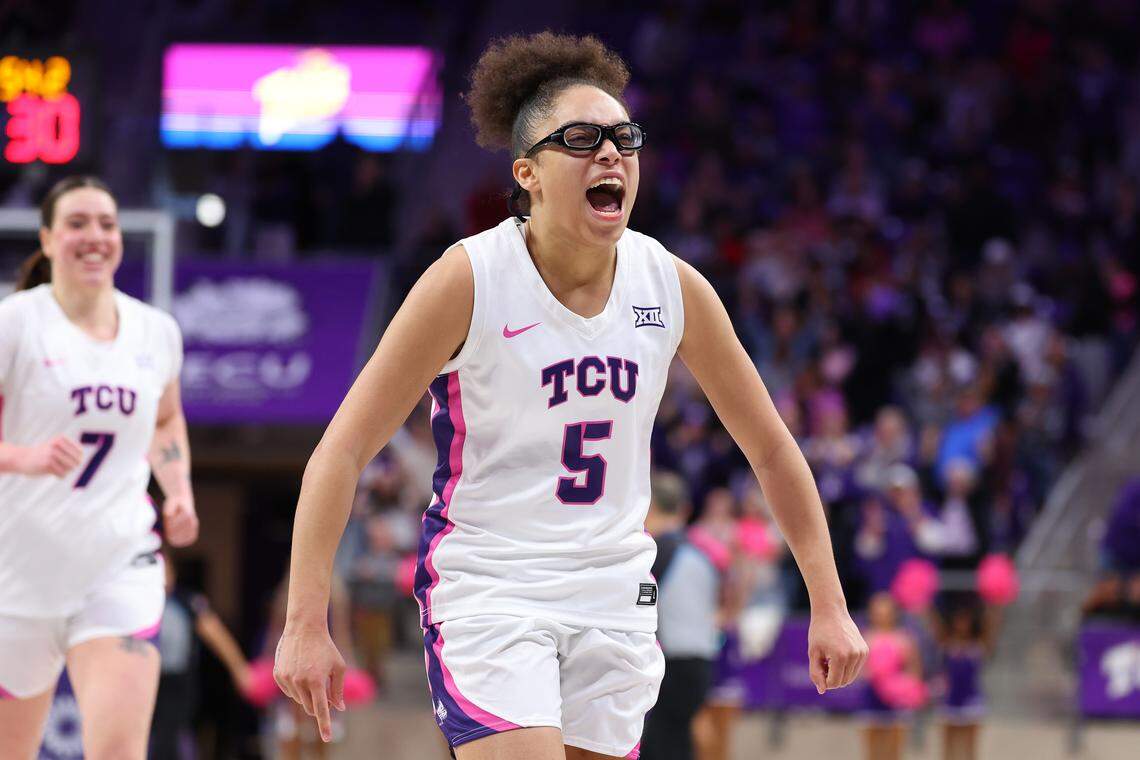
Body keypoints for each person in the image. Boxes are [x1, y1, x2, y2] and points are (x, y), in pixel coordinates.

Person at [273, 31, 866, 760]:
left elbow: (772, 448)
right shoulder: (469, 279)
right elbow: (343, 448)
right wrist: (305, 620)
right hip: (492, 588)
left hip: (614, 594)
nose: (611, 152)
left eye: (624, 136)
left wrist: (830, 603)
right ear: (529, 173)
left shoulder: (671, 286)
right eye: (582, 139)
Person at [0, 175, 198, 758]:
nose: (95, 236)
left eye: (107, 224)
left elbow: (165, 420)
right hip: (20, 571)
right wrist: (23, 457)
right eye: (78, 223)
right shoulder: (16, 323)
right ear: (47, 237)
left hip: (117, 563)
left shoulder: (155, 331)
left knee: (118, 751)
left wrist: (179, 491)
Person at [640, 471, 719, 760]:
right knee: (676, 741)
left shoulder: (656, 550)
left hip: (672, 663)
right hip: (701, 663)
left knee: (660, 746)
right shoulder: (701, 555)